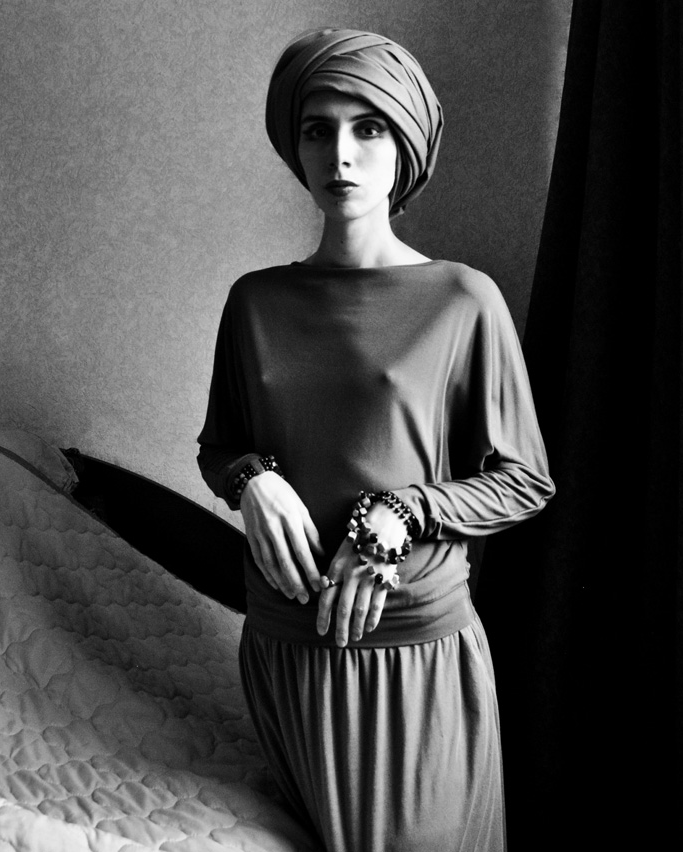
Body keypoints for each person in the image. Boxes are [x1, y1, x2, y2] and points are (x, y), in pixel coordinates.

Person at [197, 28, 554, 852]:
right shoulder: (254, 303)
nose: (341, 154)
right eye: (317, 129)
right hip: (285, 653)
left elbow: (524, 478)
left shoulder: (463, 299)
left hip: (412, 653)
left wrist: (401, 512)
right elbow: (221, 445)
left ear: (405, 146)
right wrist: (252, 480)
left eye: (369, 127)